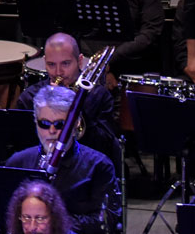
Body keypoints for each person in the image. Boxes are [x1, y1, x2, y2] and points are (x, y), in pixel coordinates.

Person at [0, 85, 118, 234]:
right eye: (44, 124)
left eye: (60, 124)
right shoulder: (18, 162)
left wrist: (53, 224)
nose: (52, 131)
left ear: (76, 123)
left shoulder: (99, 165)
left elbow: (106, 222)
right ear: (36, 122)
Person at [14, 35, 120, 165]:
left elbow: (107, 146)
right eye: (51, 64)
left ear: (80, 61)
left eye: (65, 63)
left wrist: (78, 107)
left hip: (85, 168)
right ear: (44, 61)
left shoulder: (99, 95)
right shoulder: (30, 97)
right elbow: (22, 145)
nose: (58, 72)